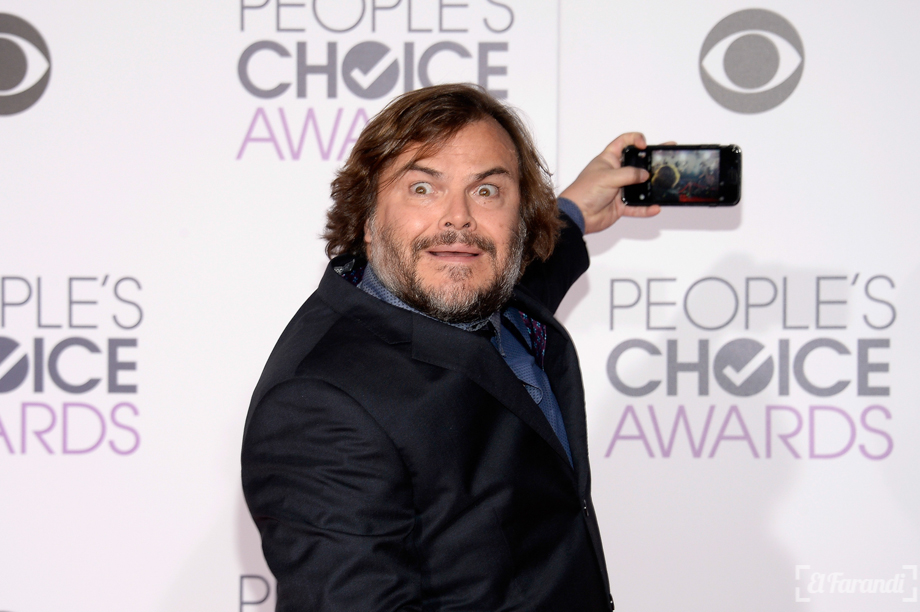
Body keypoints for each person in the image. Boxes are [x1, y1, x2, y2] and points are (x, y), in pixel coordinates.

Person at [241, 83, 658, 611]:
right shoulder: (321, 406)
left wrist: (573, 211)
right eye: (423, 188)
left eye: (487, 191)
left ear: (522, 220)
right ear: (368, 220)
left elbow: (516, 282)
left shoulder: (477, 302)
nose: (458, 217)